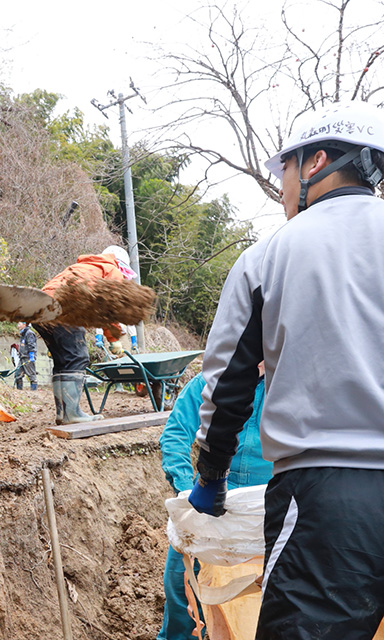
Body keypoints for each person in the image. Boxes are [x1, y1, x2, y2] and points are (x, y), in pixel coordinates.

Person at [189, 101, 384, 639]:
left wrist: (212, 476)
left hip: (327, 501)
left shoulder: (270, 255)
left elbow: (228, 382)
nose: (282, 189)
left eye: (286, 172)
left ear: (317, 161)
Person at [157, 363, 271, 640]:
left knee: (269, 602)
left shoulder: (291, 382)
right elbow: (175, 435)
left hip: (269, 507)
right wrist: (188, 493)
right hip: (210, 501)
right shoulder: (210, 380)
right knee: (181, 588)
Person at [34, 246, 136, 424]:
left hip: (38, 308)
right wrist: (113, 338)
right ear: (121, 265)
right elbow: (109, 307)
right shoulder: (111, 269)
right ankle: (71, 414)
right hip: (62, 309)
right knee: (77, 357)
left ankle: (63, 413)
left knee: (63, 361)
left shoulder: (85, 266)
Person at [14, 322, 38, 390]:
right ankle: (19, 391)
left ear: (24, 324)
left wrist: (31, 356)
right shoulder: (23, 334)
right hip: (22, 357)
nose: (18, 325)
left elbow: (31, 345)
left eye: (19, 324)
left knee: (31, 375)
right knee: (17, 375)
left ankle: (33, 392)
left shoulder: (29, 333)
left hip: (28, 357)